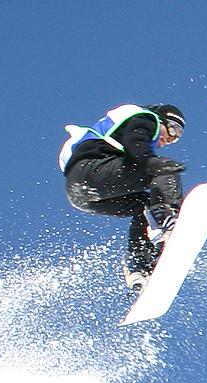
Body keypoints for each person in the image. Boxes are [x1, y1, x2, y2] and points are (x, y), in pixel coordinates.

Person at [59, 103, 187, 288]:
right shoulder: (147, 119)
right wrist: (151, 161)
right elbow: (135, 140)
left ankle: (139, 265)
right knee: (165, 170)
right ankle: (168, 220)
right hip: (92, 171)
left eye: (176, 138)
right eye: (173, 130)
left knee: (143, 205)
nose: (170, 139)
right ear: (162, 120)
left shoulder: (122, 125)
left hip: (79, 193)